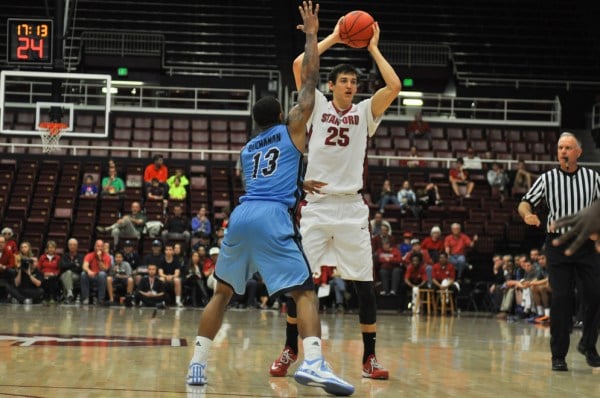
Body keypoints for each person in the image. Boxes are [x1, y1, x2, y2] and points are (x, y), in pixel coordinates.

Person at [187, 4, 354, 395]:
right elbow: (311, 79)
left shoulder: (247, 150)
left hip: (243, 213)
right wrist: (313, 35)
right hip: (273, 216)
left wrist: (300, 184)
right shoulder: (293, 126)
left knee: (222, 292)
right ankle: (313, 361)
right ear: (282, 113)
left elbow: (271, 177)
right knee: (305, 291)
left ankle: (197, 365)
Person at [272, 6, 401, 381]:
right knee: (300, 284)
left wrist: (373, 48)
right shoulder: (316, 107)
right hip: (316, 208)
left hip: (351, 209)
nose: (349, 86)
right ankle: (290, 349)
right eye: (343, 81)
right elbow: (300, 66)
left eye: (353, 82)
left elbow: (394, 87)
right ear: (331, 85)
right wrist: (335, 37)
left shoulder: (364, 112)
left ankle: (369, 359)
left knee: (364, 284)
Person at [518, 132, 600, 371]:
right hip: (557, 244)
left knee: (595, 294)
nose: (563, 151)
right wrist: (528, 215)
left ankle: (587, 344)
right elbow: (525, 202)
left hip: (586, 244)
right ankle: (558, 356)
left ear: (578, 152)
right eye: (560, 147)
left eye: (568, 147)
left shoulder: (593, 178)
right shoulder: (547, 178)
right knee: (561, 298)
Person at [80, 239, 111, 305]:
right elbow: (84, 266)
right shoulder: (89, 255)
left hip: (101, 277)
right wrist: (89, 271)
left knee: (102, 274)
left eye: (101, 246)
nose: (99, 248)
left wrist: (99, 259)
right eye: (98, 246)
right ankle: (85, 298)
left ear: (103, 247)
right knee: (83, 274)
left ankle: (100, 299)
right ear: (94, 247)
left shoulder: (107, 257)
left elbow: (105, 269)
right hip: (91, 275)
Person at [59, 238, 83, 303]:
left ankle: (67, 295)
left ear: (77, 246)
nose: (72, 246)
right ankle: (69, 294)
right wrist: (74, 264)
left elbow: (79, 268)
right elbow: (62, 266)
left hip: (76, 276)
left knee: (68, 273)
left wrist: (68, 265)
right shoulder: (64, 256)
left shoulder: (80, 256)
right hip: (64, 275)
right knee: (67, 274)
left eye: (74, 245)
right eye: (70, 245)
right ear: (68, 246)